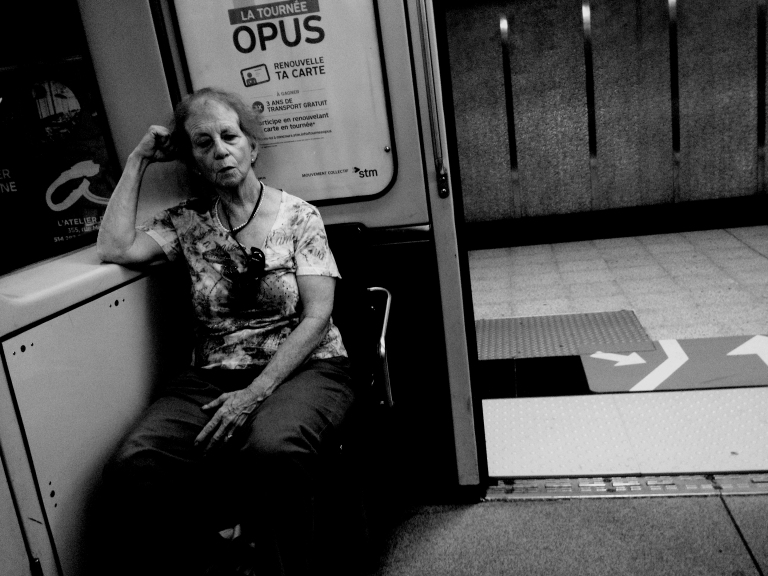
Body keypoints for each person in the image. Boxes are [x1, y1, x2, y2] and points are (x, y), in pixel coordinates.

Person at [96, 87, 355, 576]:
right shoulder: (187, 222)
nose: (220, 150)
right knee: (136, 461)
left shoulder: (299, 216)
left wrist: (256, 392)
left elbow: (317, 316)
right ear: (194, 162)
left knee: (273, 450)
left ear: (251, 147)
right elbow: (114, 247)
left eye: (229, 137)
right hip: (212, 374)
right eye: (203, 143)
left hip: (305, 366)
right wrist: (137, 160)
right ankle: (222, 559)